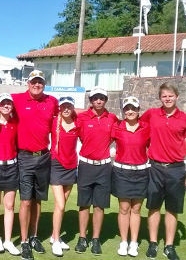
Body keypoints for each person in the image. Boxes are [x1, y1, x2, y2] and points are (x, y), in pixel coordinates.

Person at [140, 83, 186, 260]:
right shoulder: (152, 114)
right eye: (164, 96)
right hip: (155, 167)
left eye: (171, 95)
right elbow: (138, 129)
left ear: (176, 96)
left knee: (172, 209)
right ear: (160, 98)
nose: (168, 98)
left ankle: (169, 246)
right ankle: (153, 243)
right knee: (154, 207)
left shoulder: (185, 118)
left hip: (176, 169)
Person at [12, 69, 58, 260]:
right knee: (25, 200)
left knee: (38, 200)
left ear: (44, 84)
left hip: (44, 157)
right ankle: (23, 241)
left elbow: (66, 114)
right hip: (24, 157)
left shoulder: (51, 101)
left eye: (39, 82)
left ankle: (34, 236)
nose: (36, 85)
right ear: (28, 84)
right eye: (33, 82)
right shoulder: (17, 99)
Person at [75, 86, 118, 255]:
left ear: (105, 100)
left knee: (99, 205)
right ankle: (82, 238)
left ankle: (95, 239)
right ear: (90, 101)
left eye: (101, 98)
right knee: (84, 204)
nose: (98, 101)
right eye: (95, 98)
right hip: (86, 166)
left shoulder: (112, 118)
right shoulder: (82, 118)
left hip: (104, 167)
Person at [111, 96, 150, 257]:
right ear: (123, 110)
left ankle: (134, 243)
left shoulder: (146, 127)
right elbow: (103, 142)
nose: (130, 111)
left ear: (138, 110)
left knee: (136, 208)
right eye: (127, 108)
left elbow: (154, 145)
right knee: (124, 208)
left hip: (141, 172)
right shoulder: (117, 127)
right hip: (122, 172)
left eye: (133, 108)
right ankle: (124, 242)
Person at [0, 93, 21, 256]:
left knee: (9, 206)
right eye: (3, 103)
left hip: (12, 168)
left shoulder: (16, 122)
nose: (7, 106)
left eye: (9, 103)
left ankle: (8, 240)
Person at [49, 96, 79, 257]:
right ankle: (56, 240)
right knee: (60, 205)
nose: (66, 109)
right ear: (59, 108)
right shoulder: (54, 122)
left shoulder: (78, 122)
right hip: (56, 165)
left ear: (73, 107)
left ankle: (54, 235)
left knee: (62, 205)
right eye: (63, 106)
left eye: (69, 106)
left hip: (71, 166)